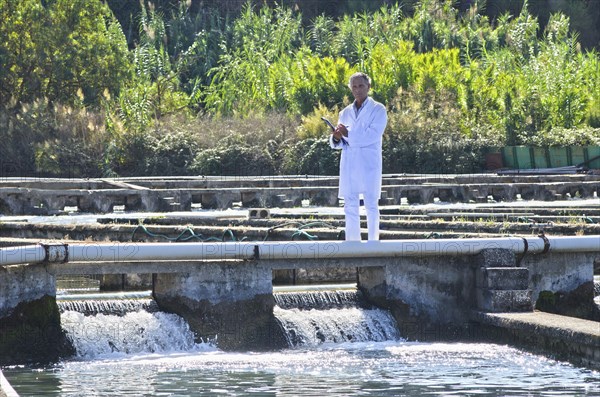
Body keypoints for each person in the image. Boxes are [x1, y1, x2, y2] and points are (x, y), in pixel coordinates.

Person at [330, 72, 387, 241]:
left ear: (368, 87)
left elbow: (372, 135)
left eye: (361, 86)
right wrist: (337, 137)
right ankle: (353, 242)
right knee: (350, 205)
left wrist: (349, 133)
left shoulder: (378, 109)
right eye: (354, 86)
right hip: (350, 163)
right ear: (350, 89)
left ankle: (373, 242)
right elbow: (340, 142)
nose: (357, 89)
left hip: (369, 163)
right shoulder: (345, 112)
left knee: (371, 204)